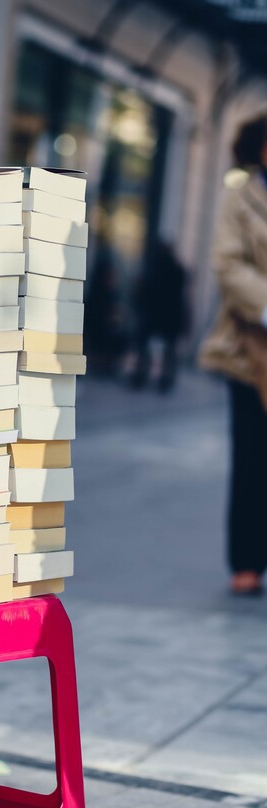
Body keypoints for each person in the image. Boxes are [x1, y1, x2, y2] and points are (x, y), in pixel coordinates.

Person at [199, 112, 267, 596]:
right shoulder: (239, 197)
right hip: (251, 348)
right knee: (252, 456)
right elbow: (227, 264)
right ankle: (246, 561)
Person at [128, 239, 189, 392]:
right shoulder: (177, 270)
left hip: (155, 315)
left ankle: (142, 376)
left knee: (146, 348)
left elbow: (144, 292)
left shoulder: (155, 269)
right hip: (168, 316)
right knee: (167, 351)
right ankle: (163, 380)